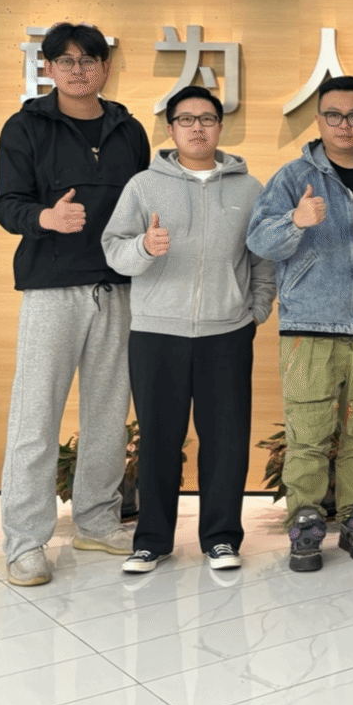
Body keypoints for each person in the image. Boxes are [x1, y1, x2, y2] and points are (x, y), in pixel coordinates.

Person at [0, 21, 150, 586]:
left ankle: (97, 521)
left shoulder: (129, 129)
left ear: (106, 68)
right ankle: (24, 542)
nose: (78, 70)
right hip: (51, 289)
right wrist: (46, 217)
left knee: (108, 416)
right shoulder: (26, 126)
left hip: (119, 288)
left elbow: (143, 203)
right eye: (66, 60)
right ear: (49, 68)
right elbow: (6, 204)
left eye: (88, 60)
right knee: (36, 416)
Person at [102, 86, 275, 573]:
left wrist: (257, 309)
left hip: (227, 332)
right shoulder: (143, 186)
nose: (197, 127)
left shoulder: (249, 189)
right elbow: (113, 248)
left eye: (207, 119)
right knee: (159, 440)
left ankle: (221, 538)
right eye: (186, 119)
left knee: (226, 441)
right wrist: (144, 247)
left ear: (220, 126)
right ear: (171, 128)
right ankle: (152, 541)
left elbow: (262, 258)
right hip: (156, 332)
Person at [246, 76, 353, 573]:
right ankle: (307, 521)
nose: (344, 125)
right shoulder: (294, 177)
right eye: (334, 115)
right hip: (309, 329)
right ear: (318, 120)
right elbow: (258, 240)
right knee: (308, 435)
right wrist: (295, 221)